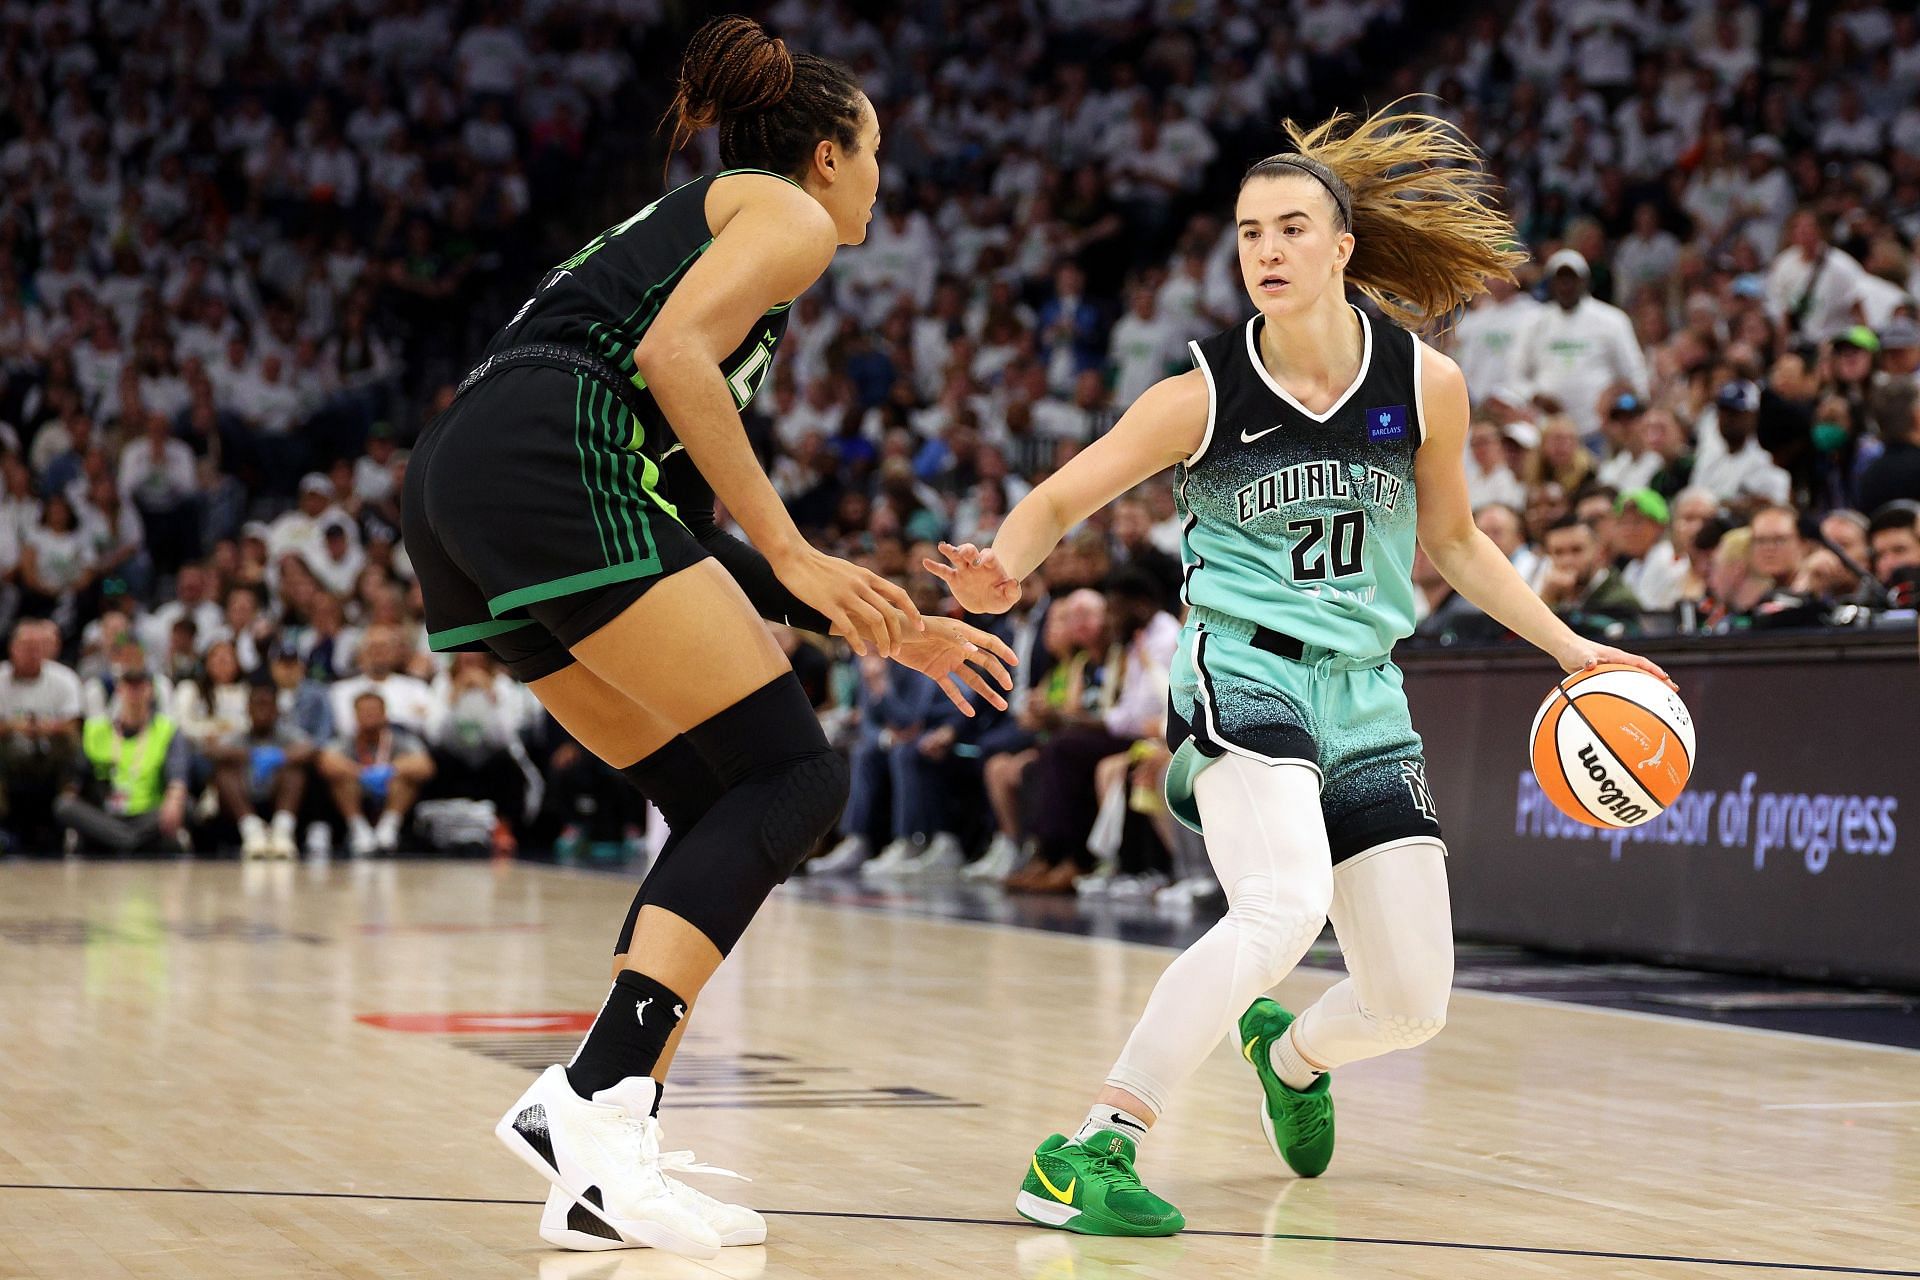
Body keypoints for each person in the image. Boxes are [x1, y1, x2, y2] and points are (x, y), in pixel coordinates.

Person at [927, 105, 1670, 1236]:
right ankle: (1093, 1146)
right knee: (1281, 905)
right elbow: (1067, 491)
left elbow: (1457, 544)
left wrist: (1571, 648)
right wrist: (1005, 567)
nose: (1265, 252)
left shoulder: (1425, 386)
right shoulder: (1202, 394)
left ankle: (1295, 1052)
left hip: (1367, 689)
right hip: (1247, 668)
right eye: (1246, 234)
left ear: (1342, 249)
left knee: (1415, 1001)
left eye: (1288, 229)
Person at [399, 17, 1015, 1258]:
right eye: (879, 151)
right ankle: (589, 1093)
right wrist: (795, 550)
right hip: (541, 455)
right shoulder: (783, 218)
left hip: (470, 480)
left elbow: (676, 533)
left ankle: (604, 1153)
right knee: (799, 773)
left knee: (728, 796)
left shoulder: (692, 236)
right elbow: (676, 362)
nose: (882, 179)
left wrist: (883, 621)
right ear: (832, 155)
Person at [54, 666, 191, 854]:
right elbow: (77, 776)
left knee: (187, 806)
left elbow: (177, 775)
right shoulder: (97, 730)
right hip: (106, 813)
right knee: (64, 807)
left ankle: (119, 842)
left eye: (140, 686)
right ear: (119, 689)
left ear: (150, 691)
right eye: (129, 685)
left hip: (146, 812)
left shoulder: (166, 730)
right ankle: (132, 842)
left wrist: (174, 800)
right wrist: (71, 791)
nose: (134, 692)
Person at [315, 690, 436, 855]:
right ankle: (359, 830)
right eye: (364, 711)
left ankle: (388, 830)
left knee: (405, 779)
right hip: (358, 792)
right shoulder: (347, 740)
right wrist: (359, 772)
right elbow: (326, 761)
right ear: (355, 715)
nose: (369, 716)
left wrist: (391, 770)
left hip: (390, 792)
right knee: (342, 780)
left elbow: (425, 765)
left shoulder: (401, 739)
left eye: (374, 711)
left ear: (385, 714)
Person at [210, 679, 312, 858]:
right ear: (248, 709)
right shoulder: (239, 736)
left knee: (295, 772)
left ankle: (282, 832)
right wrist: (250, 755)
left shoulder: (287, 734)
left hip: (278, 800)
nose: (262, 710)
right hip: (243, 803)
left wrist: (280, 756)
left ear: (277, 710)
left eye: (267, 705)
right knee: (223, 772)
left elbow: (310, 748)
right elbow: (213, 750)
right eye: (257, 705)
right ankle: (252, 831)